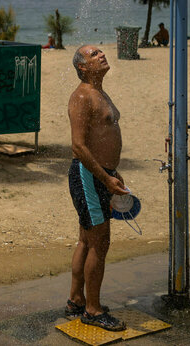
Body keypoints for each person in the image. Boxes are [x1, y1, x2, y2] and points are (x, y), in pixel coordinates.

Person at [65, 45, 129, 332]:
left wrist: (114, 173)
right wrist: (105, 178)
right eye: (93, 54)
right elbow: (78, 146)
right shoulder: (82, 96)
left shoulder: (100, 93)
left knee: (86, 240)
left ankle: (76, 300)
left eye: (101, 51)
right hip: (88, 176)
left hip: (101, 174)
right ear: (82, 67)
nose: (101, 54)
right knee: (99, 241)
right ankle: (92, 310)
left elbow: (103, 137)